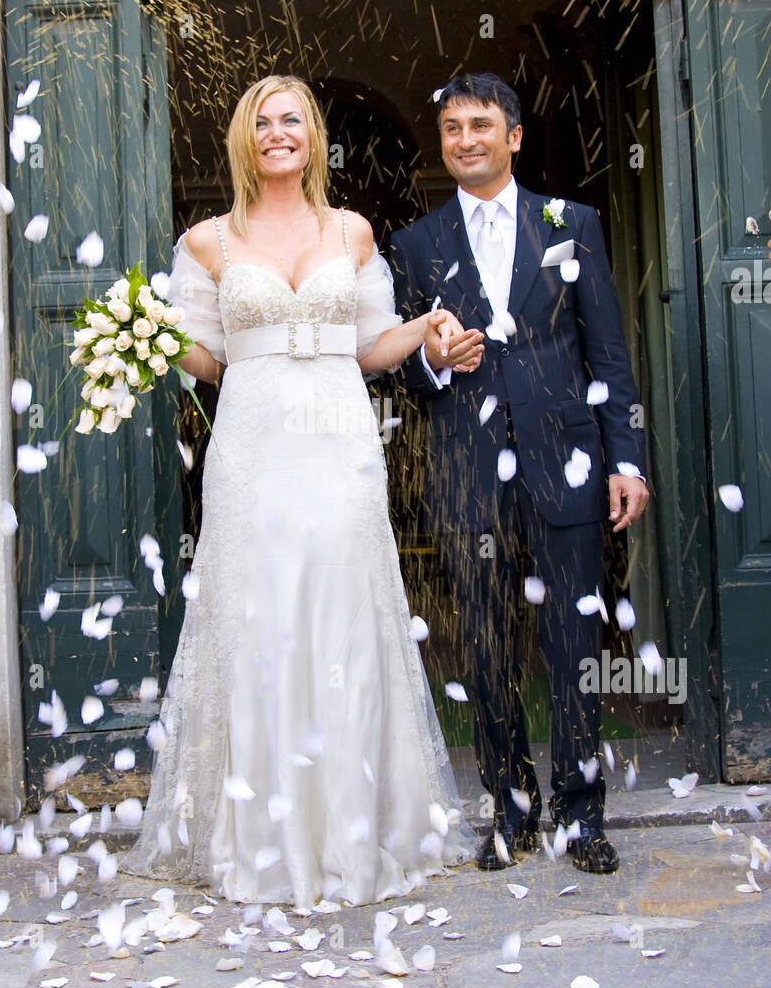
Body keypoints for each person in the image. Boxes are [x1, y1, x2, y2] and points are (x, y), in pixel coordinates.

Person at [122, 75, 477, 908]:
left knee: (342, 613)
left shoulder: (350, 231)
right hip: (252, 443)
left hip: (338, 438)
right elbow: (208, 359)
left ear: (312, 138)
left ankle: (353, 833)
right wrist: (154, 339)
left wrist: (422, 329)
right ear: (244, 140)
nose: (277, 133)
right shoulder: (206, 241)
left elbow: (368, 345)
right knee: (258, 616)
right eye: (261, 122)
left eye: (291, 121)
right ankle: (262, 841)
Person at [388, 73, 649, 875]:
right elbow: (397, 372)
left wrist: (626, 457)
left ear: (513, 136)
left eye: (480, 125)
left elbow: (603, 348)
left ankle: (580, 812)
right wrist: (432, 359)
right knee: (485, 645)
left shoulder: (569, 224)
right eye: (451, 128)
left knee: (573, 640)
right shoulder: (415, 243)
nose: (464, 139)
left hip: (567, 459)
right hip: (467, 465)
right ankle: (508, 807)